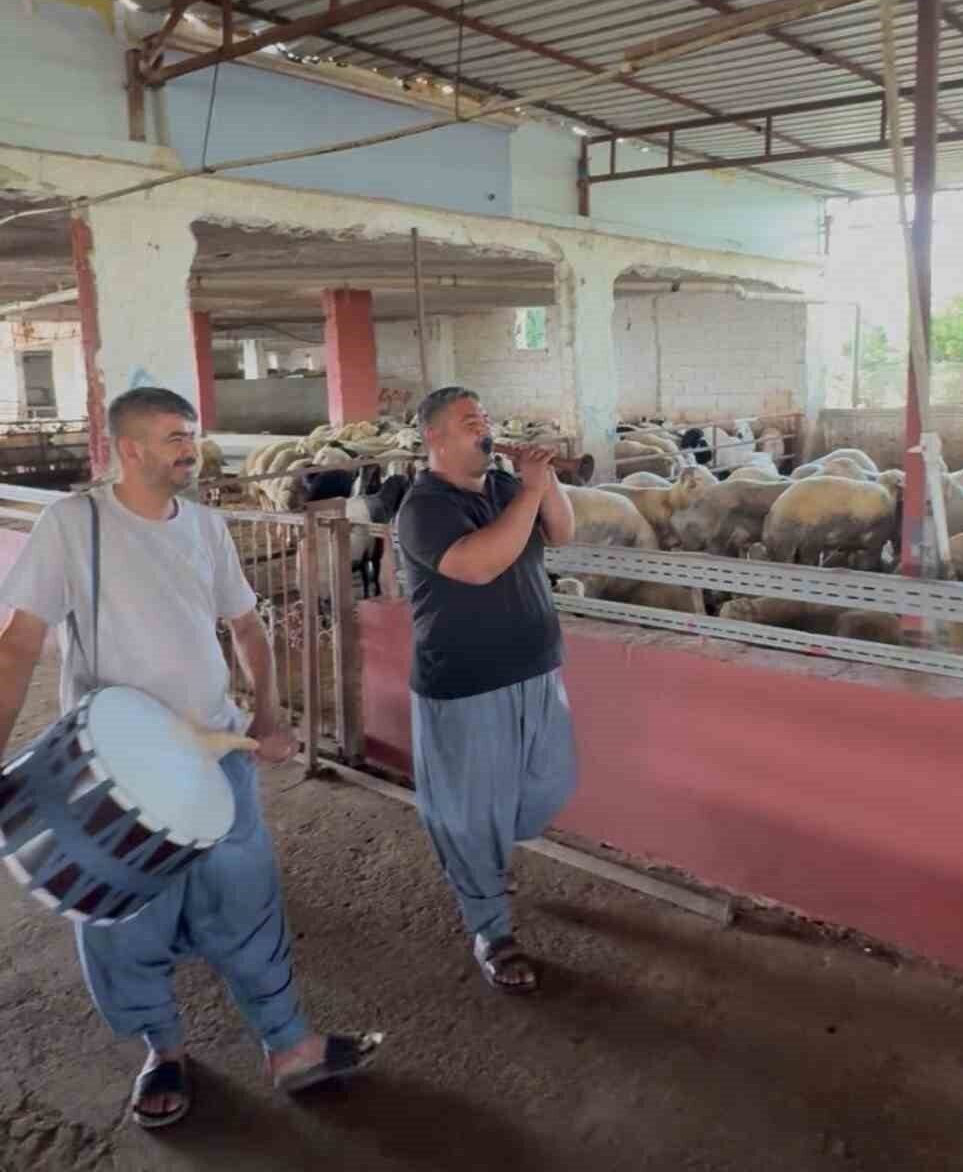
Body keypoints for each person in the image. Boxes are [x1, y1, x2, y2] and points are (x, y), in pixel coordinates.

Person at [0, 387, 382, 1130]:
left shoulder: (205, 527)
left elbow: (246, 624)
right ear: (130, 448)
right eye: (175, 436)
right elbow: (18, 644)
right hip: (113, 769)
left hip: (216, 752)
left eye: (191, 435)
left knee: (247, 900)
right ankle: (164, 1049)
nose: (190, 449)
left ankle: (289, 1045)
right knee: (120, 916)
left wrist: (268, 711)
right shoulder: (74, 524)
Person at [397, 387, 577, 993]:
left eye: (485, 418)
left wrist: (543, 481)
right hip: (465, 681)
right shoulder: (424, 507)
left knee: (549, 784)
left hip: (536, 667)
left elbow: (563, 531)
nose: (484, 427)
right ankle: (491, 930)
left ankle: (488, 862)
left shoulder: (504, 487)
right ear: (435, 437)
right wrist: (528, 491)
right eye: (469, 421)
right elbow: (478, 565)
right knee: (469, 813)